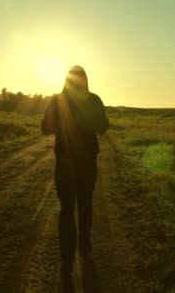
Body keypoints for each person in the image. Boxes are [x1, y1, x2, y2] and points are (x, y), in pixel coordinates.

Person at [41, 65, 109, 289]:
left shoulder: (57, 100)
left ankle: (67, 262)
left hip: (66, 165)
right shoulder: (94, 100)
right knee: (85, 205)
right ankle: (84, 248)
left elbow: (45, 128)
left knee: (67, 210)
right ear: (85, 80)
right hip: (85, 164)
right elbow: (102, 126)